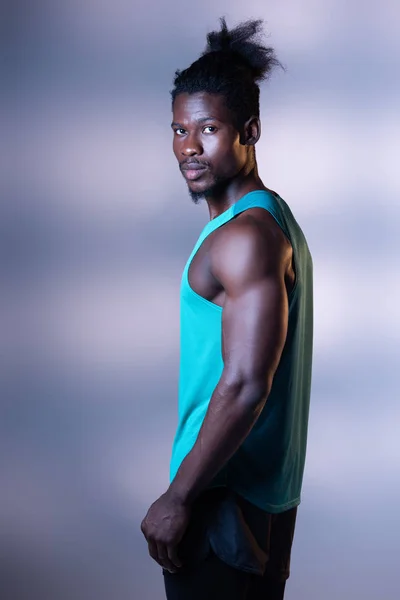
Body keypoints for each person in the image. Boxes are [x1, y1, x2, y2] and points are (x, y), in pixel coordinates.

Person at [141, 17, 313, 600]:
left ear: (250, 130)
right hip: (252, 509)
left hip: (221, 507)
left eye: (208, 128)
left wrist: (177, 497)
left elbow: (245, 385)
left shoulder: (247, 238)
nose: (189, 146)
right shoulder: (269, 222)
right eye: (179, 129)